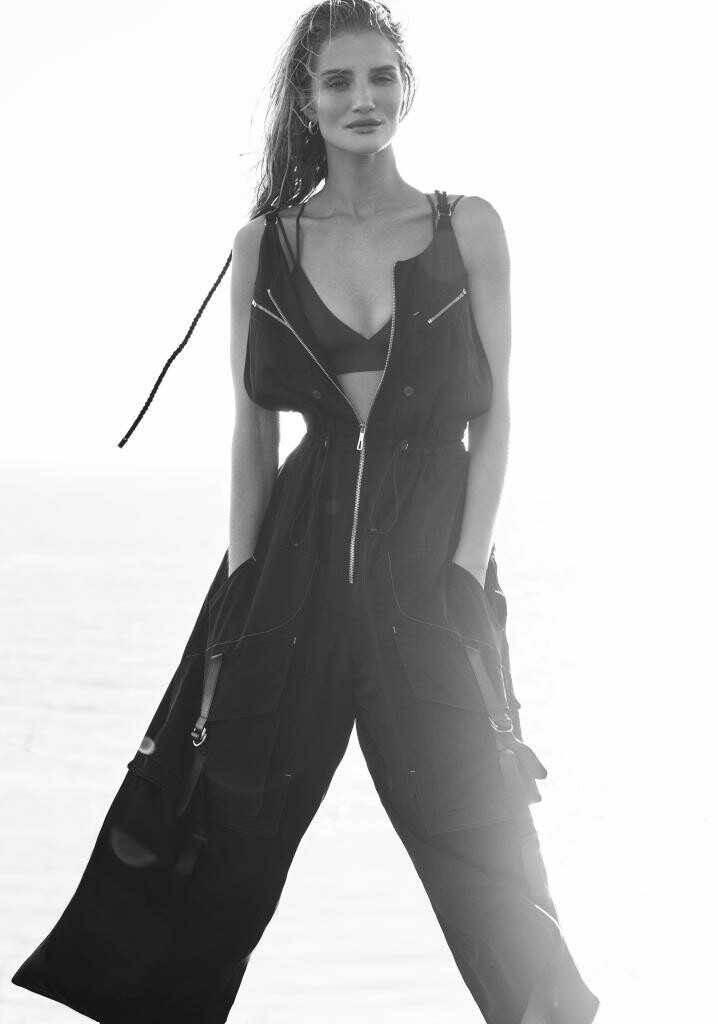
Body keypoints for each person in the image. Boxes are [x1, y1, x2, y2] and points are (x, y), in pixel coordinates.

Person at [12, 2, 600, 1022]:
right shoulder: (265, 244)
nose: (362, 99)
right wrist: (244, 586)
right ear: (307, 99)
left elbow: (497, 414)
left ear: (405, 87)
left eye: (380, 77)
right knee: (218, 832)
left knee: (488, 846)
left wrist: (463, 573)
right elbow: (252, 430)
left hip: (432, 573)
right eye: (338, 81)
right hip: (290, 567)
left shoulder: (468, 227)